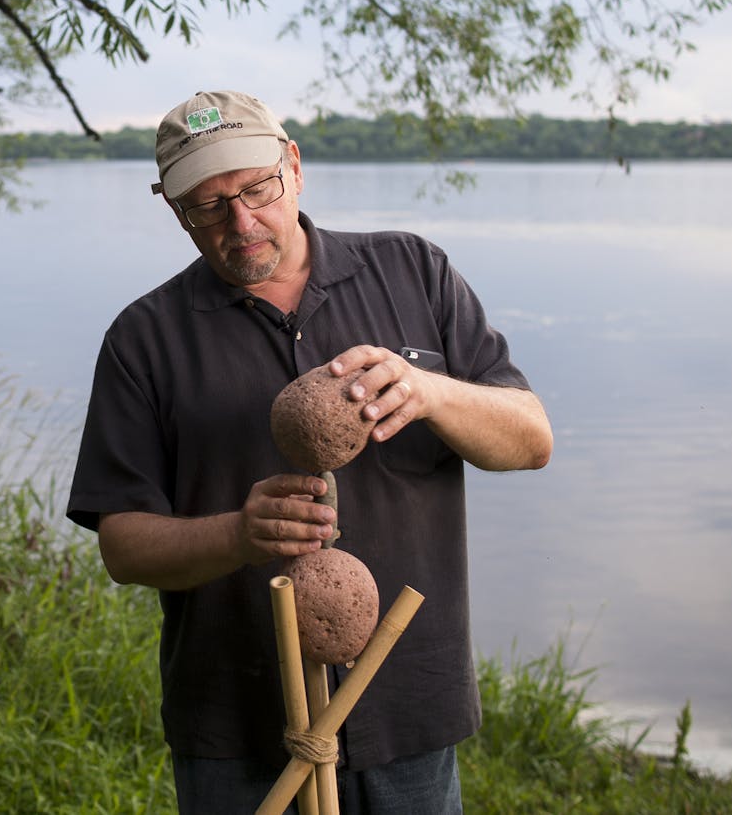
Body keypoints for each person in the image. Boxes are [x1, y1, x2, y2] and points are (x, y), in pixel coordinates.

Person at [66, 90, 553, 814]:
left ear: (293, 165)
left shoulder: (412, 270)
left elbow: (531, 438)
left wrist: (429, 391)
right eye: (207, 205)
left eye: (256, 188)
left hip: (405, 705)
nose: (241, 221)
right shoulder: (144, 339)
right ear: (173, 209)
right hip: (237, 724)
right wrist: (237, 534)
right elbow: (123, 547)